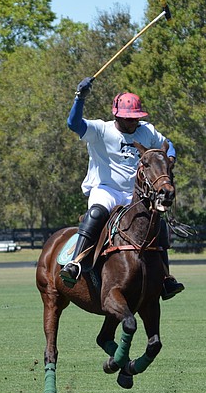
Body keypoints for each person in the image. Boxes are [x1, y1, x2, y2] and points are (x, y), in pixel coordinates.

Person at [61, 76, 184, 300]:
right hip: (106, 189)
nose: (133, 123)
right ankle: (75, 263)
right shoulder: (100, 130)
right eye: (129, 119)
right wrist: (80, 98)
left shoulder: (146, 131)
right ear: (117, 115)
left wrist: (170, 158)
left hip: (136, 194)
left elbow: (169, 145)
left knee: (159, 221)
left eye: (136, 118)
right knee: (97, 213)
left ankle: (165, 278)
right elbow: (73, 124)